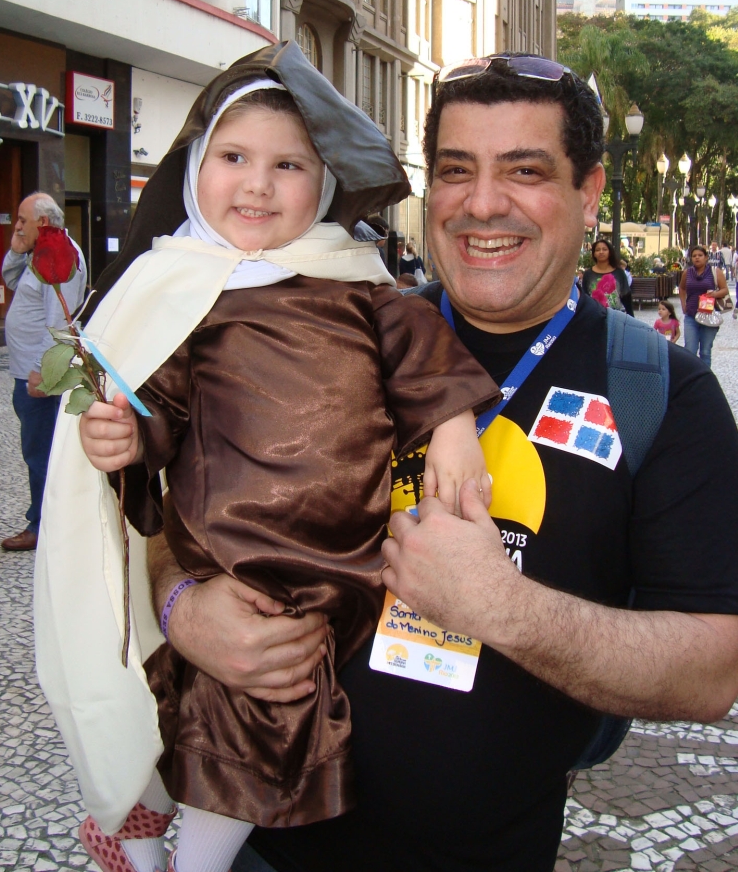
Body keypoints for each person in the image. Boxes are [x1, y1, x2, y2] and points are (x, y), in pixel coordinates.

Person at [146, 52, 738, 872]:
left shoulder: (663, 395)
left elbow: (712, 668)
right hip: (264, 843)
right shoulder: (330, 322)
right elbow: (176, 501)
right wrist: (181, 604)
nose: (482, 203)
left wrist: (500, 605)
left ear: (589, 191)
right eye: (457, 170)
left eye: (525, 170)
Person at [36, 43, 500, 872]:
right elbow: (158, 404)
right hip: (236, 550)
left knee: (243, 701)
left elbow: (420, 352)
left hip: (340, 559)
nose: (257, 183)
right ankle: (173, 851)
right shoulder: (174, 286)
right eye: (234, 157)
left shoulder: (357, 283)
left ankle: (151, 831)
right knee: (237, 697)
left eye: (289, 164)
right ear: (195, 167)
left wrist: (455, 427)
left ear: (321, 184)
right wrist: (124, 438)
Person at [0, 193, 86, 551]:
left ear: (44, 222)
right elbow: (9, 280)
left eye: (22, 220)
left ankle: (43, 527)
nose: (17, 225)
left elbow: (59, 321)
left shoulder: (60, 255)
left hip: (40, 378)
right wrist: (17, 247)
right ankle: (46, 522)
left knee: (43, 454)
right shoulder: (37, 252)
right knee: (38, 451)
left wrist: (42, 373)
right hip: (27, 374)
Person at [678, 245, 729, 367]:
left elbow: (725, 290)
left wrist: (714, 294)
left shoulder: (715, 272)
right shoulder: (687, 273)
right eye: (694, 256)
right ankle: (691, 379)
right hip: (691, 315)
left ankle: (705, 381)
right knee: (690, 350)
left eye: (700, 255)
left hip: (709, 316)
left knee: (705, 351)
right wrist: (683, 304)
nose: (697, 258)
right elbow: (682, 288)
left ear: (706, 257)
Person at [580, 239, 633, 315]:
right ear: (594, 253)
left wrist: (631, 317)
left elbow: (626, 295)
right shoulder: (588, 274)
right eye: (598, 250)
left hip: (617, 315)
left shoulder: (619, 272)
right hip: (594, 316)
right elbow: (585, 298)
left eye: (604, 249)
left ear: (610, 252)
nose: (601, 252)